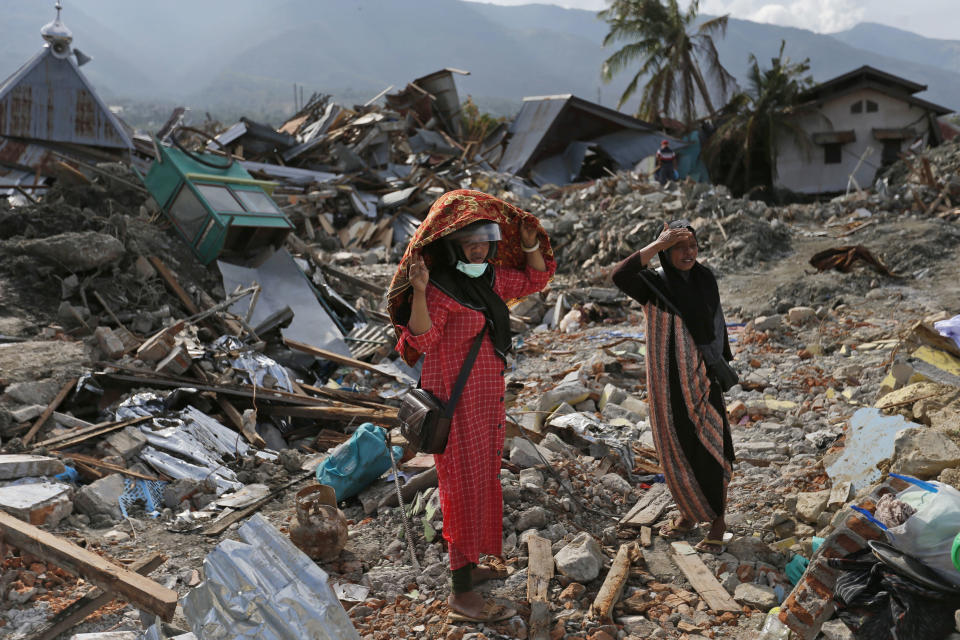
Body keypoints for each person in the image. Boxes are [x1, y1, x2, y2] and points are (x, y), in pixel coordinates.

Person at [392, 191, 556, 622]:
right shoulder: (443, 288)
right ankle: (459, 591)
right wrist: (422, 291)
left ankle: (470, 567)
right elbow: (422, 341)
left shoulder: (488, 280)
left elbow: (536, 280)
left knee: (482, 481)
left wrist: (530, 243)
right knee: (460, 489)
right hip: (455, 406)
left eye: (485, 241)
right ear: (453, 246)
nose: (479, 248)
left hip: (487, 405)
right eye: (471, 243)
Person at [611, 220, 738, 554]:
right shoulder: (653, 285)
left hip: (701, 377)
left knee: (711, 446)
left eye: (693, 245)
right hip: (666, 386)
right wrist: (654, 245)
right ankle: (688, 513)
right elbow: (618, 275)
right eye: (679, 247)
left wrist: (718, 364)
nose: (688, 252)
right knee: (674, 448)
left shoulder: (705, 279)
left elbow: (716, 325)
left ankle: (718, 520)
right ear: (665, 252)